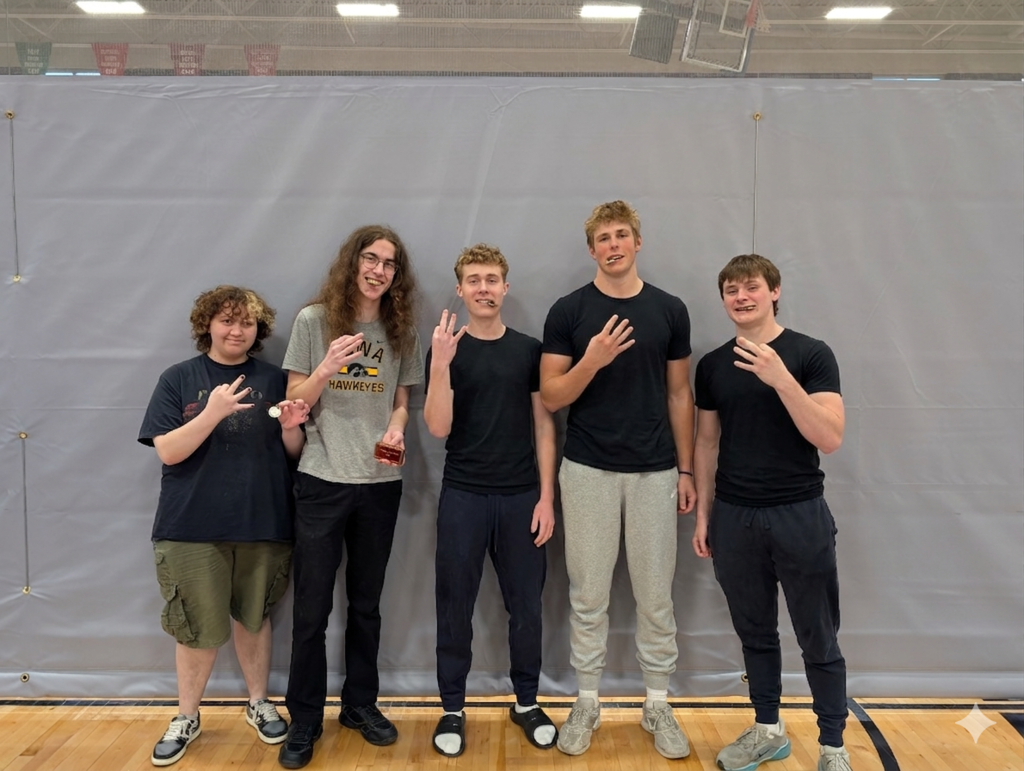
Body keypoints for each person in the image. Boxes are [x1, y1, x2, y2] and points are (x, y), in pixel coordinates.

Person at [539, 200, 696, 760]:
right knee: (589, 596)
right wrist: (593, 359)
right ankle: (586, 701)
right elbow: (552, 395)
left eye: (622, 235)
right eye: (603, 237)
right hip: (586, 470)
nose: (613, 244)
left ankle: (657, 702)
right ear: (592, 250)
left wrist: (686, 469)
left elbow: (680, 394)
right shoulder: (569, 311)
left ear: (637, 242)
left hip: (655, 473)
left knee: (656, 597)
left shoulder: (669, 309)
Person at [691, 254, 850, 771]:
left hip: (798, 512)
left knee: (817, 634)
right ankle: (767, 729)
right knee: (755, 632)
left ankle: (832, 746)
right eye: (731, 290)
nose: (741, 297)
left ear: (774, 291)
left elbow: (829, 437)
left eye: (751, 287)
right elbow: (707, 442)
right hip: (736, 518)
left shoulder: (810, 355)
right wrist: (703, 516)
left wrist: (782, 379)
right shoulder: (713, 365)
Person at [139, 285, 309, 767]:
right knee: (196, 629)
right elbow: (168, 451)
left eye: (248, 323)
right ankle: (187, 716)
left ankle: (258, 702)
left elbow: (294, 455)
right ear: (207, 325)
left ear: (259, 330)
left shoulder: (276, 380)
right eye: (228, 320)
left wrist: (292, 426)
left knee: (254, 620)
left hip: (265, 521)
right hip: (190, 527)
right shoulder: (178, 378)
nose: (237, 330)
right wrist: (212, 413)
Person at [276, 225, 424, 770]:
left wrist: (397, 428)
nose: (379, 270)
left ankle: (360, 705)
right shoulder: (314, 321)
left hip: (380, 485)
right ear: (352, 264)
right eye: (371, 258)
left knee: (366, 606)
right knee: (312, 610)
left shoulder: (400, 330)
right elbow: (293, 400)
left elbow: (402, 401)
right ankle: (306, 719)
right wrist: (326, 367)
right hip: (321, 480)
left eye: (389, 263)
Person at [423, 244, 558, 758]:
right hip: (464, 495)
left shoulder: (528, 349)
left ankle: (526, 701)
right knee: (454, 604)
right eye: (474, 279)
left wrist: (547, 497)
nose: (483, 287)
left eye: (492, 278)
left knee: (526, 606)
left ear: (506, 287)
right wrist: (440, 364)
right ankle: (452, 708)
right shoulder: (445, 347)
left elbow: (544, 425)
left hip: (522, 495)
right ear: (460, 289)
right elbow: (437, 427)